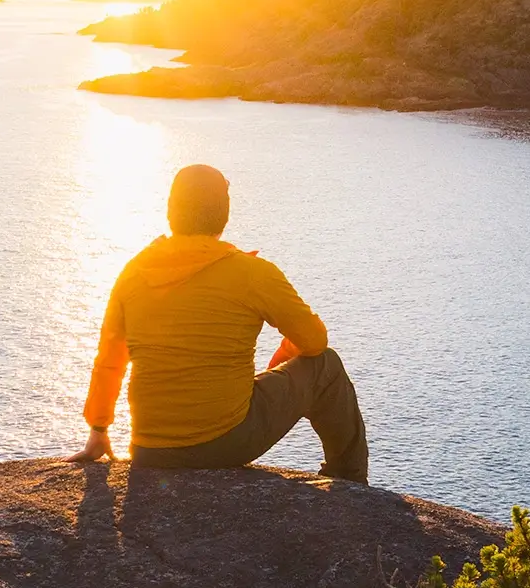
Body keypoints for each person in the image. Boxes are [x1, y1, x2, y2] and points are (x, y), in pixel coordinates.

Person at [73, 164, 370, 482]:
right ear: (224, 215)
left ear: (171, 211)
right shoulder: (252, 273)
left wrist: (99, 429)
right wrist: (282, 360)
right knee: (325, 366)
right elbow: (314, 342)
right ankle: (349, 482)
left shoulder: (134, 271)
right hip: (226, 442)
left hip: (148, 449)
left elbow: (109, 359)